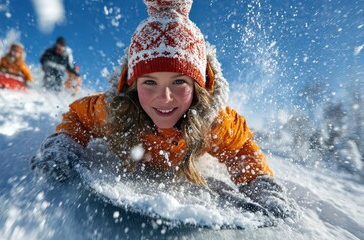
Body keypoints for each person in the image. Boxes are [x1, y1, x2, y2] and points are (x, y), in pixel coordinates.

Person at [31, 0, 297, 219]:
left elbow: (241, 148)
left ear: (199, 87)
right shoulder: (118, 110)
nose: (165, 97)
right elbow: (79, 116)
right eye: (149, 82)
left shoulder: (212, 121)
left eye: (179, 82)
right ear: (133, 86)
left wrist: (261, 185)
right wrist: (64, 142)